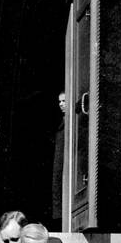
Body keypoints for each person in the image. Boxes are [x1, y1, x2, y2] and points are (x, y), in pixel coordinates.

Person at [51, 91, 67, 224]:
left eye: (64, 101)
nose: (61, 104)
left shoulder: (73, 121)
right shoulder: (62, 122)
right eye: (59, 101)